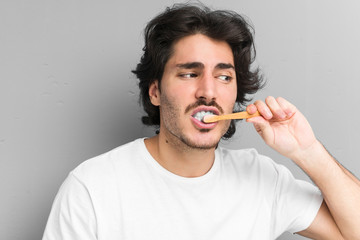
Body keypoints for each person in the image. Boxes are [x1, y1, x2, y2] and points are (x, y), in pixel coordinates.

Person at [43, 3, 360, 240]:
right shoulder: (92, 189)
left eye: (224, 76)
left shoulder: (264, 180)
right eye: (190, 74)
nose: (208, 92)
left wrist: (308, 151)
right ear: (155, 91)